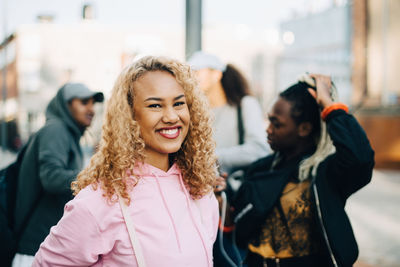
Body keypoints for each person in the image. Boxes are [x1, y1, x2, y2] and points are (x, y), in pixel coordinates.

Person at [32, 56, 219, 266]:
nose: (171, 116)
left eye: (178, 103)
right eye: (155, 105)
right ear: (130, 116)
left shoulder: (200, 190)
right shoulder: (100, 201)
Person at [233, 74, 375, 267]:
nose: (268, 129)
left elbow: (360, 157)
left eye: (277, 124)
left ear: (304, 128)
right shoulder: (261, 168)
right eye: (269, 121)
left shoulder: (325, 173)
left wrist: (329, 106)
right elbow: (238, 226)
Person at [188, 51, 269, 266]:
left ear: (217, 74)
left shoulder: (245, 105)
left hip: (237, 203)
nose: (193, 76)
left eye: (198, 71)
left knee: (234, 258)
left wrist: (211, 159)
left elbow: (260, 149)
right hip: (204, 202)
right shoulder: (195, 111)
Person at [11, 83, 104, 267]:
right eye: (84, 102)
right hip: (35, 250)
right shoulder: (56, 130)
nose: (91, 109)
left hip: (45, 247)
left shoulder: (69, 135)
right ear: (66, 105)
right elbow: (51, 177)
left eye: (93, 103)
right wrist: (97, 176)